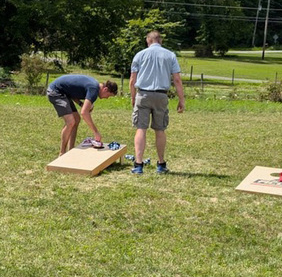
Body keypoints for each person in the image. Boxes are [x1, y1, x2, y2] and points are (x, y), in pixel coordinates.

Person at [129, 31, 185, 174]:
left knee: (141, 128)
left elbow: (132, 81)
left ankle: (138, 164)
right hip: (161, 96)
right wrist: (181, 100)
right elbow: (177, 80)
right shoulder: (170, 55)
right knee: (160, 130)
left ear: (148, 40)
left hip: (143, 94)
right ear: (161, 41)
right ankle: (161, 164)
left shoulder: (139, 55)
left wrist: (133, 98)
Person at [45, 74, 118, 156]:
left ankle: (71, 149)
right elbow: (84, 112)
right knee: (70, 122)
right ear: (105, 89)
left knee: (76, 119)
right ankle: (62, 153)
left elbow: (72, 90)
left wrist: (80, 103)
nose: (107, 98)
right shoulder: (94, 89)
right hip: (55, 91)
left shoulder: (94, 86)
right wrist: (96, 132)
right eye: (108, 95)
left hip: (64, 92)